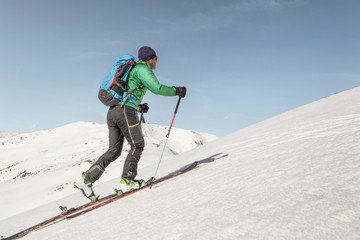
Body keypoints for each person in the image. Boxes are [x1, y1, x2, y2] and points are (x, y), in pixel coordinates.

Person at [74, 46, 186, 201]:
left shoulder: (132, 71)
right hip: (125, 111)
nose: (157, 62)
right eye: (156, 59)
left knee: (114, 151)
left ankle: (86, 179)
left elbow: (128, 92)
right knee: (137, 144)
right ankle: (127, 180)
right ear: (150, 58)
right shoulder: (142, 69)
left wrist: (138, 106)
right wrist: (177, 91)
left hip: (114, 112)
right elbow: (157, 88)